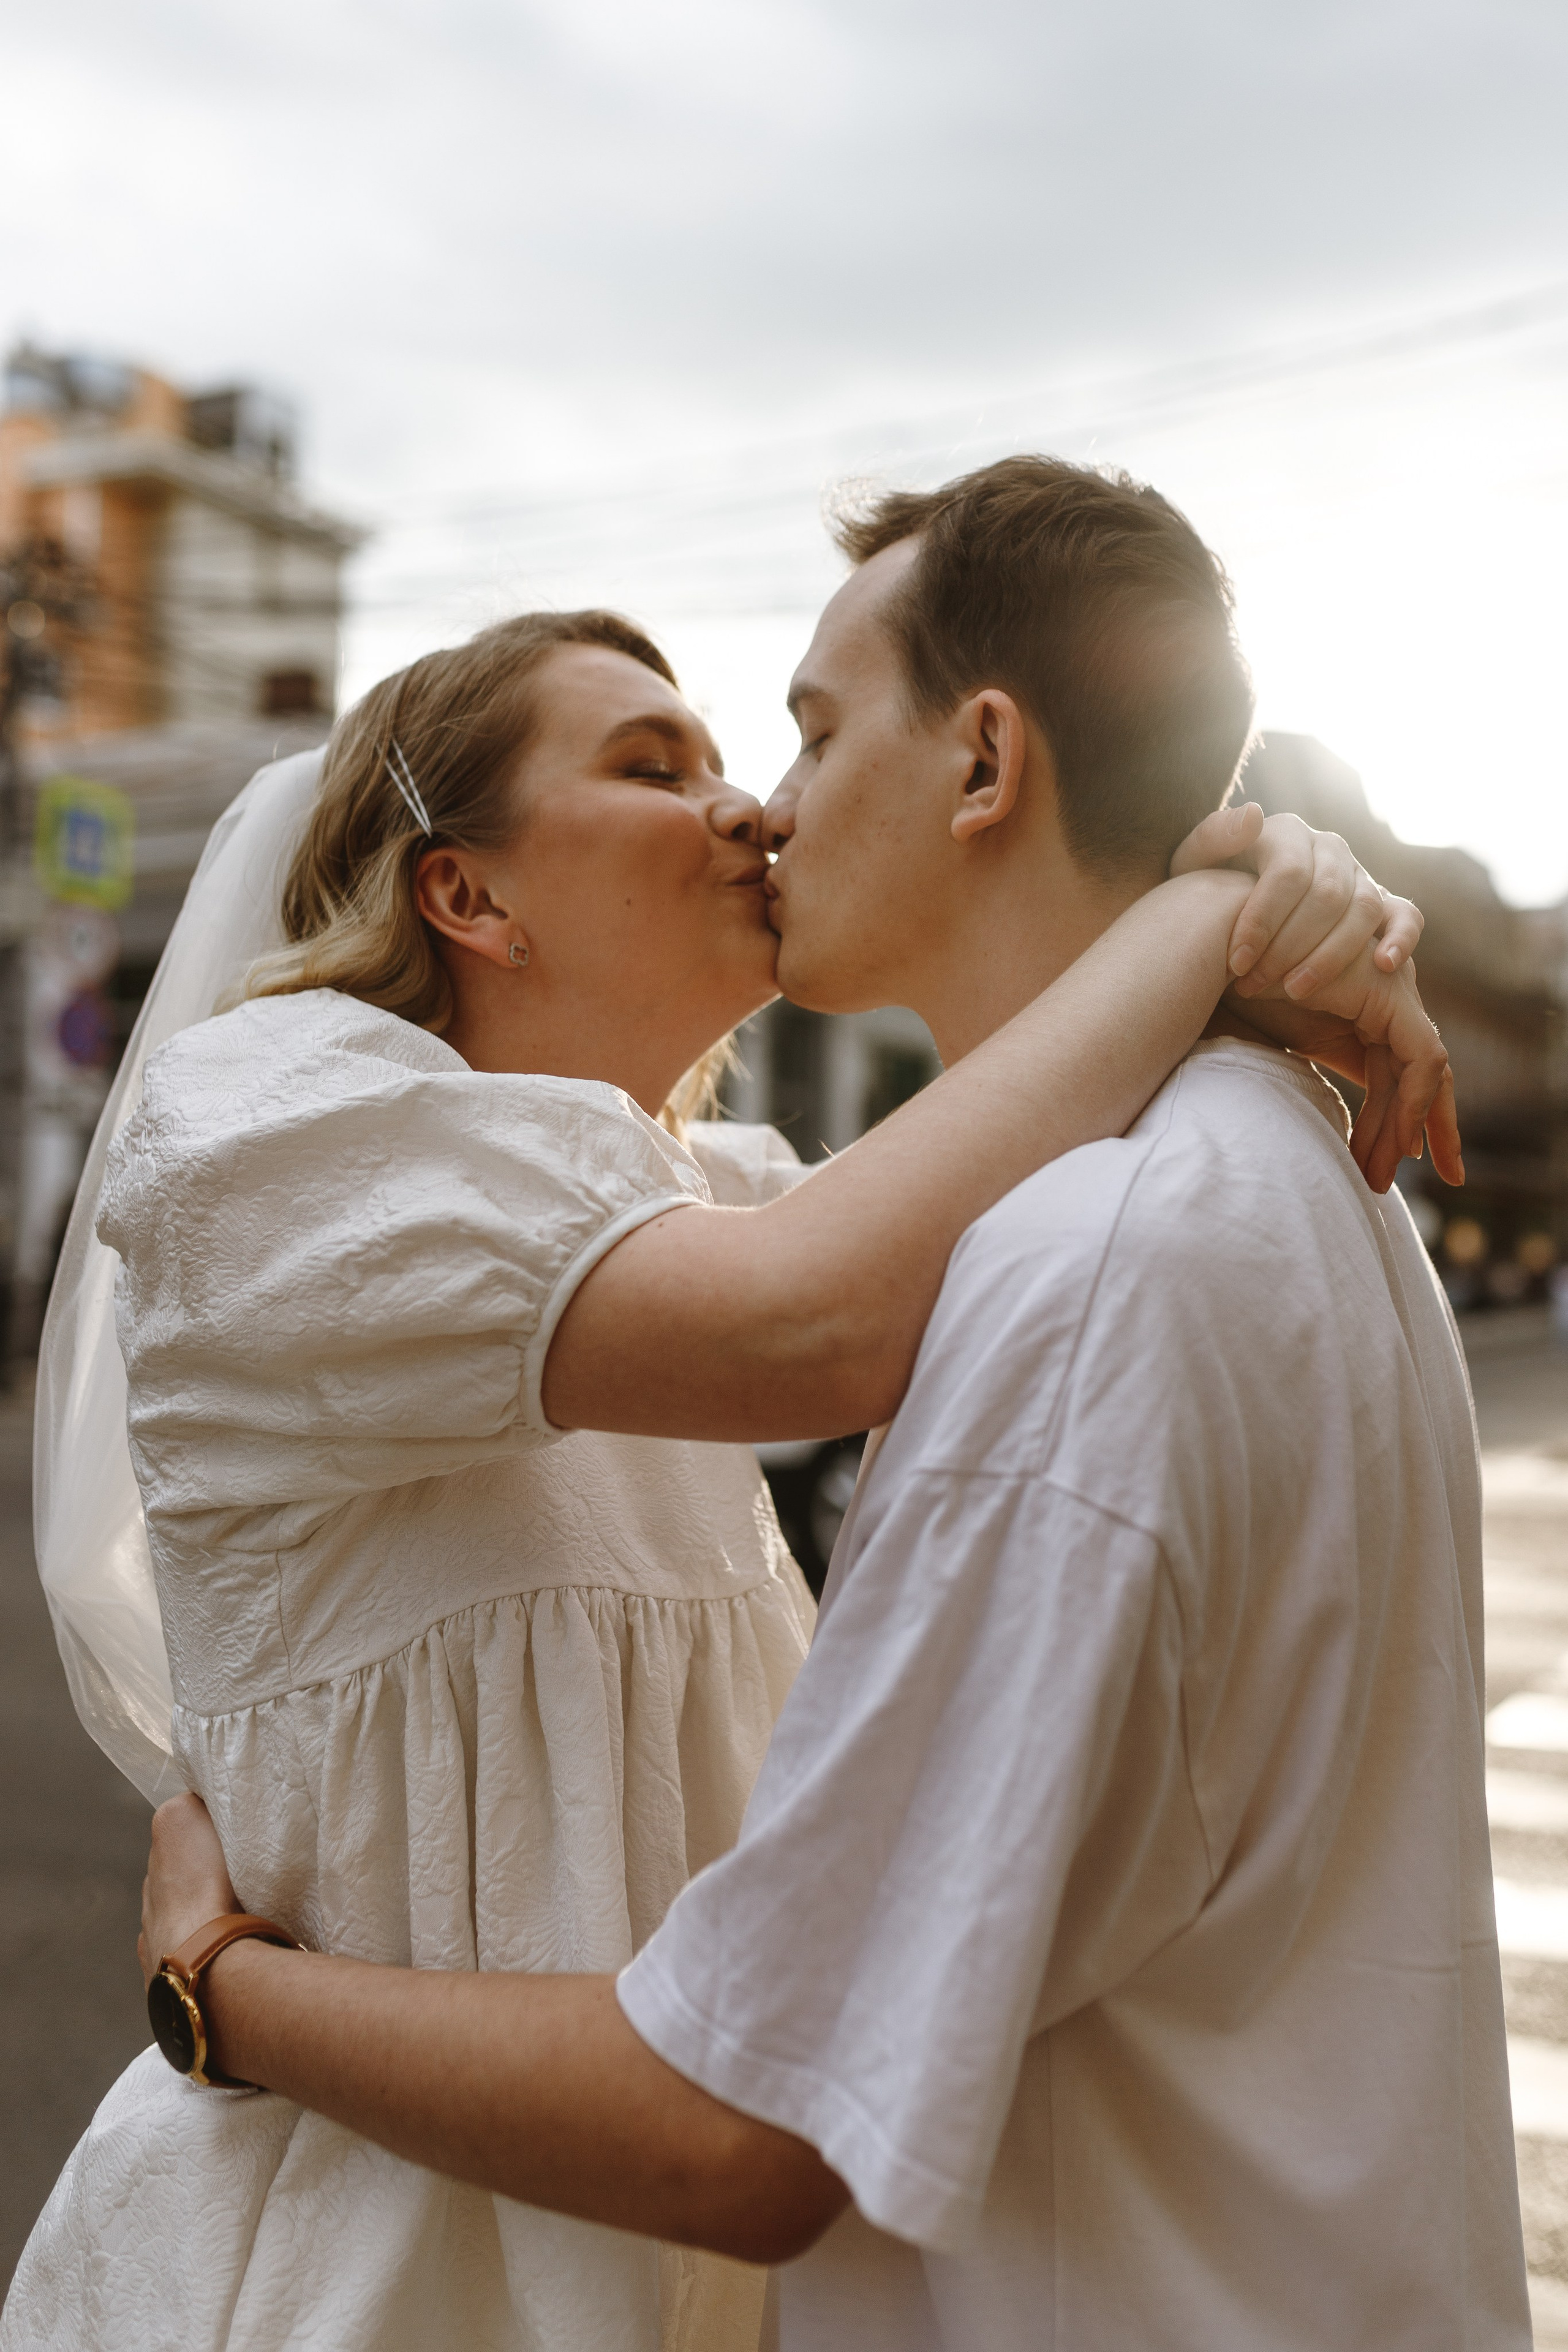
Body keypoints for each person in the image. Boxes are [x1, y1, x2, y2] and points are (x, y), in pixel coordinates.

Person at [126, 457, 1520, 2352]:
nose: (753, 807)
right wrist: (1215, 910)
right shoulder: (297, 1147)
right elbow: (816, 1311)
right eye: (660, 761)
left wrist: (224, 1981)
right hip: (384, 2267)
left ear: (982, 766)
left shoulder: (1047, 1249)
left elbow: (745, 2113)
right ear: (463, 890)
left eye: (796, 730)